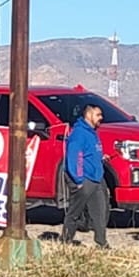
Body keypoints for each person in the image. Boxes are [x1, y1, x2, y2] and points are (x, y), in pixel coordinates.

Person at [60, 103, 110, 249]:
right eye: (98, 115)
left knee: (100, 212)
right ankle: (66, 241)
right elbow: (75, 157)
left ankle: (101, 243)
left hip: (97, 178)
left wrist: (101, 158)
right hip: (84, 180)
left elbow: (89, 153)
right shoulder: (79, 134)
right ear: (89, 115)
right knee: (75, 212)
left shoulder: (92, 133)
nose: (101, 118)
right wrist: (78, 179)